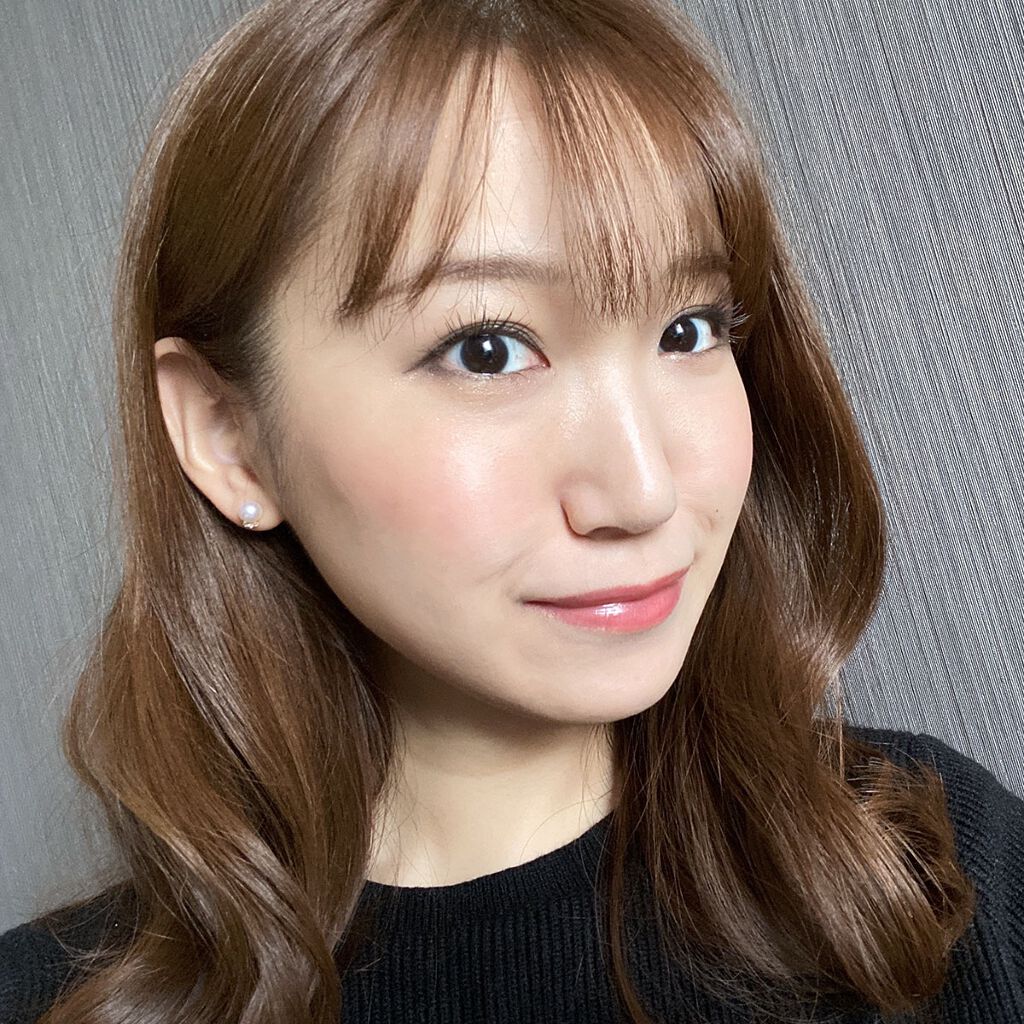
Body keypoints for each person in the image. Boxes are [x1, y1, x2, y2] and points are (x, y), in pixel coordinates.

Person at [1, 0, 1021, 1021]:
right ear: (229, 434)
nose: (644, 491)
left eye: (689, 329)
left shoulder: (925, 878)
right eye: (485, 348)